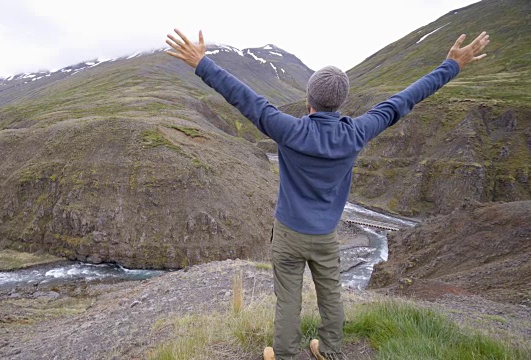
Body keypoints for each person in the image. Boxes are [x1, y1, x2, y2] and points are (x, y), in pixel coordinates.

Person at [165, 29, 490, 360]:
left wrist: (201, 62)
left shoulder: (288, 129)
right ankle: (330, 351)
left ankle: (285, 354)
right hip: (325, 235)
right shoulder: (357, 133)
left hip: (289, 234)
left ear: (309, 100)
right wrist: (451, 65)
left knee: (288, 298)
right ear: (341, 102)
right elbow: (404, 100)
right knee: (331, 295)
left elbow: (244, 97)